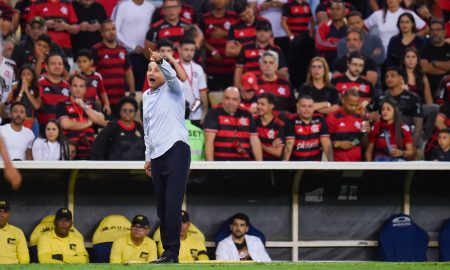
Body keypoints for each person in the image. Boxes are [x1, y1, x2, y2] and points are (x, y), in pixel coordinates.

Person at [143, 48, 191, 263]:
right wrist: (147, 156)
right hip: (157, 155)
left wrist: (162, 60)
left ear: (163, 72)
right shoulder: (145, 96)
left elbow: (172, 74)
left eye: (156, 69)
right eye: (148, 69)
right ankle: (168, 253)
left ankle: (172, 253)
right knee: (162, 207)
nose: (151, 72)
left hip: (176, 150)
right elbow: (147, 128)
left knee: (172, 204)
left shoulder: (174, 89)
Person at [368, 66, 423, 147]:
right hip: (382, 140)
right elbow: (366, 113)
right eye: (387, 77)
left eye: (392, 76)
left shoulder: (413, 98)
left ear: (401, 78)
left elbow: (418, 125)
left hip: (405, 139)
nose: (389, 79)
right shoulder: (380, 97)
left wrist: (411, 146)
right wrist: (370, 117)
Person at [204, 86, 263, 161]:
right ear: (222, 99)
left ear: (239, 101)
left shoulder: (247, 114)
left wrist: (260, 165)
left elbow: (255, 140)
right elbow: (209, 141)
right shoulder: (213, 113)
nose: (230, 102)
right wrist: (211, 167)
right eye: (227, 98)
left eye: (234, 99)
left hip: (244, 163)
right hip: (221, 164)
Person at [57, 74, 108, 160]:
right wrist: (89, 123)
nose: (78, 89)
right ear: (69, 87)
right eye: (75, 86)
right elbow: (65, 124)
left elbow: (101, 120)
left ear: (85, 89)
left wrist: (83, 106)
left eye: (81, 86)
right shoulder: (62, 104)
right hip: (70, 152)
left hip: (90, 151)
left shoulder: (92, 104)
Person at [92, 19, 135, 117]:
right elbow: (91, 75)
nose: (111, 32)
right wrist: (96, 97)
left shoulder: (122, 50)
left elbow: (128, 72)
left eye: (113, 29)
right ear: (102, 33)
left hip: (120, 99)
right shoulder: (96, 50)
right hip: (103, 100)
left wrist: (132, 93)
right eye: (107, 30)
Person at [114, 0, 155, 92]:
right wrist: (132, 46)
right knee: (127, 88)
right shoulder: (123, 6)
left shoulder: (151, 8)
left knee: (144, 89)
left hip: (145, 56)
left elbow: (152, 30)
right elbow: (116, 31)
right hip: (126, 55)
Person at [234, 20, 288, 88]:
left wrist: (271, 70)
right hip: (249, 86)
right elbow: (239, 69)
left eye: (266, 31)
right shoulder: (246, 47)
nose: (262, 33)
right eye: (259, 31)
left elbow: (284, 72)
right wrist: (237, 88)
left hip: (270, 86)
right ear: (255, 32)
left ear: (270, 33)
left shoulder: (276, 50)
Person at [401, 47, 437, 142]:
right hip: (404, 112)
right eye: (407, 57)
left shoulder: (423, 77)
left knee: (435, 108)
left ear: (417, 60)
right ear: (403, 60)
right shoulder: (398, 76)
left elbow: (429, 100)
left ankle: (425, 139)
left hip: (419, 110)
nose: (410, 60)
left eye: (413, 57)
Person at [201, 0, 238, 93]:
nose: (219, 1)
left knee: (231, 97)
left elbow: (239, 36)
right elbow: (201, 38)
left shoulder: (234, 16)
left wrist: (224, 33)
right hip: (212, 67)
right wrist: (212, 50)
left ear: (227, 2)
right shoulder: (205, 18)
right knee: (214, 98)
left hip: (231, 68)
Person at [283, 95, 333, 161]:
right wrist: (285, 164)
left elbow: (326, 142)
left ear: (314, 108)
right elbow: (289, 144)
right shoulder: (291, 120)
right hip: (296, 165)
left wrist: (331, 162)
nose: (307, 109)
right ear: (298, 106)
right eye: (303, 106)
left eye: (310, 106)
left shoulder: (320, 119)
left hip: (315, 165)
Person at [326, 89, 369, 161]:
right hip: (338, 165)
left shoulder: (360, 117)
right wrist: (338, 144)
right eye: (351, 105)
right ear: (343, 100)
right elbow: (324, 142)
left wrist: (366, 134)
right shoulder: (332, 117)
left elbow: (361, 142)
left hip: (357, 164)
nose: (353, 108)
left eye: (356, 105)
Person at [281, 0, 315, 89]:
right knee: (295, 64)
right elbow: (283, 22)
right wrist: (291, 36)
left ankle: (306, 84)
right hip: (295, 38)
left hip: (305, 37)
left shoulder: (306, 5)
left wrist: (311, 34)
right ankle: (295, 86)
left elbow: (312, 21)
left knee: (307, 62)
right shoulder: (288, 5)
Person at [178, 38, 209, 127]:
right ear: (179, 50)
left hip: (197, 115)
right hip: (178, 114)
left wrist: (205, 112)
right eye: (186, 50)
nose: (189, 53)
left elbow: (202, 92)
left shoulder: (198, 68)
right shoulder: (173, 66)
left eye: (192, 50)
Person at [36, 53, 70, 128]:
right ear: (46, 67)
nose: (57, 66)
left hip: (62, 131)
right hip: (42, 130)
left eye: (60, 64)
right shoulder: (39, 84)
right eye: (53, 63)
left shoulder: (67, 86)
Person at [75, 49, 111, 115]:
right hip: (79, 107)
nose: (81, 64)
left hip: (93, 108)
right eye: (79, 62)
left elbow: (102, 92)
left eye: (84, 61)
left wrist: (107, 105)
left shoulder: (97, 76)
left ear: (91, 62)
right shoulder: (75, 76)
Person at [6, 64, 40, 135]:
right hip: (18, 122)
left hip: (32, 122)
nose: (26, 77)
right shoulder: (15, 89)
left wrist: (27, 91)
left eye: (28, 74)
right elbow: (14, 106)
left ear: (33, 76)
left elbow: (36, 106)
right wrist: (21, 90)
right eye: (23, 74)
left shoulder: (37, 89)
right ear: (20, 76)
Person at [420, 20, 450, 97]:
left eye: (438, 30)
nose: (435, 32)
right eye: (432, 30)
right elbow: (425, 68)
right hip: (430, 90)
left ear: (444, 32)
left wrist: (435, 63)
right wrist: (446, 67)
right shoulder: (424, 49)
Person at [315, 0, 348, 67]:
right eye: (332, 9)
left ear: (344, 12)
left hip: (346, 64)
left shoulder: (350, 28)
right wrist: (342, 44)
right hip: (327, 65)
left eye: (338, 9)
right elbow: (320, 44)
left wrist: (332, 40)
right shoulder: (323, 26)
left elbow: (352, 45)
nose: (335, 12)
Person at [255, 92, 287, 160]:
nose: (258, 106)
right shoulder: (252, 121)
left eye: (262, 104)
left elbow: (277, 153)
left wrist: (258, 145)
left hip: (272, 164)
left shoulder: (279, 125)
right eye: (257, 103)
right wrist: (270, 146)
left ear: (271, 106)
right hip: (254, 163)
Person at [0, 200, 29, 264]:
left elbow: (24, 259)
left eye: (5, 211)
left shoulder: (17, 232)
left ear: (9, 214)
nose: (1, 214)